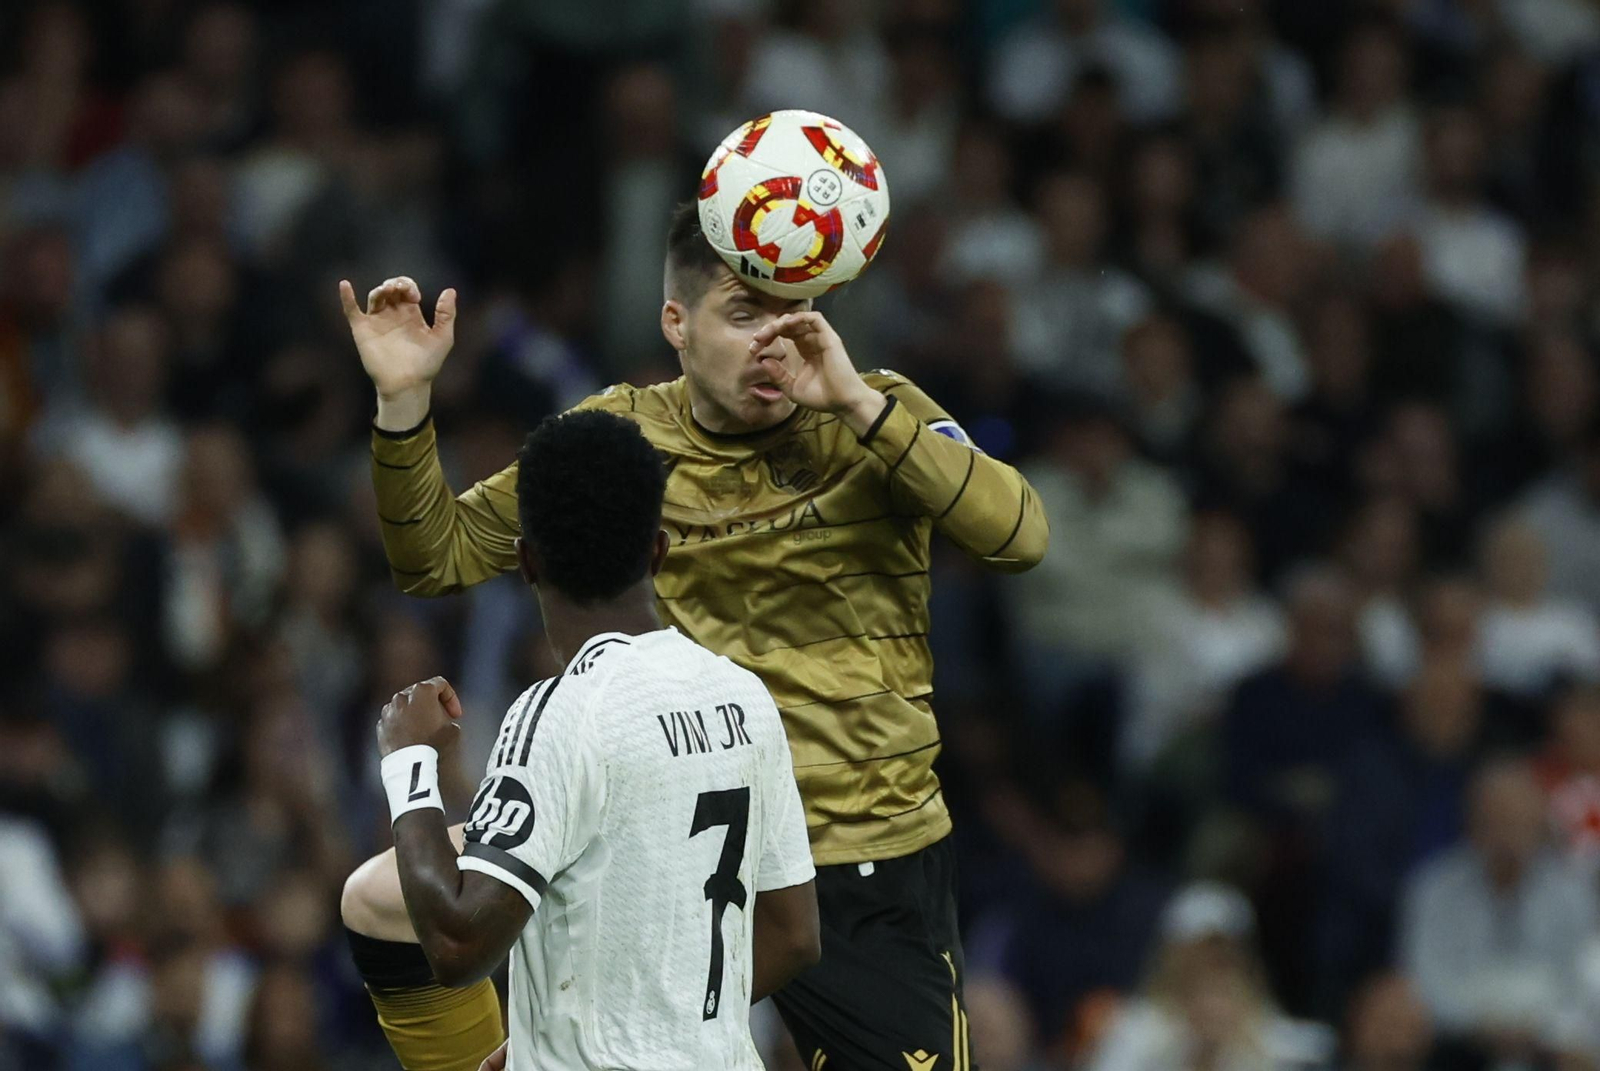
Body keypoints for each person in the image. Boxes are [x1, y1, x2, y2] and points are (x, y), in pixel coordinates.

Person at [339, 200, 1048, 1069]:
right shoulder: (622, 442)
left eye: (798, 313)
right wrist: (405, 402)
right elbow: (436, 556)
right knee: (380, 899)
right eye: (746, 313)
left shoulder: (878, 416)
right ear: (676, 321)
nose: (776, 340)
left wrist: (856, 400)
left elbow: (1021, 538)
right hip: (673, 836)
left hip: (864, 853)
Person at [366, 410, 819, 1070]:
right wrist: (605, 1027)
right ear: (658, 550)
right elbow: (794, 932)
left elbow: (456, 940)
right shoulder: (744, 696)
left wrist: (408, 760)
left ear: (526, 561)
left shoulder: (560, 712)